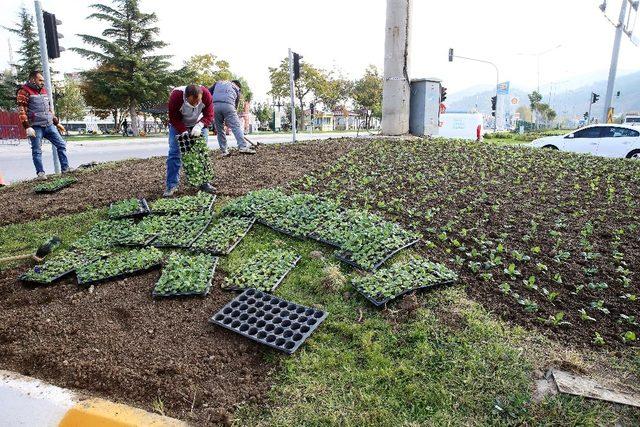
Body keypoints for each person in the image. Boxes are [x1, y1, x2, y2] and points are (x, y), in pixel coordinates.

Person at [16, 70, 70, 179]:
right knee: (37, 150)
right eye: (40, 80)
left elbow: (48, 110)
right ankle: (40, 173)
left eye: (43, 80)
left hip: (49, 125)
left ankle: (65, 169)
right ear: (32, 80)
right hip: (35, 127)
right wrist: (27, 127)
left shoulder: (43, 91)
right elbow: (22, 111)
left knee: (61, 145)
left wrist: (57, 123)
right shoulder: (23, 91)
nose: (42, 82)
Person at [165, 84, 215, 197]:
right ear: (187, 97)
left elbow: (209, 114)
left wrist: (200, 125)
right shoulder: (176, 96)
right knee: (174, 153)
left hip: (199, 124)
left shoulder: (206, 94)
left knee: (201, 153)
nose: (197, 104)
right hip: (179, 124)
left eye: (199, 101)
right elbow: (173, 117)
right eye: (194, 102)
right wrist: (183, 131)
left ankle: (204, 183)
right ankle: (171, 185)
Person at [209, 80, 256, 157]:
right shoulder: (236, 89)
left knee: (219, 129)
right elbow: (235, 107)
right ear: (238, 86)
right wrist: (229, 120)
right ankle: (242, 147)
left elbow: (208, 92)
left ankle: (224, 151)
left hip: (215, 106)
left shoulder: (219, 83)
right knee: (236, 126)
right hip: (229, 105)